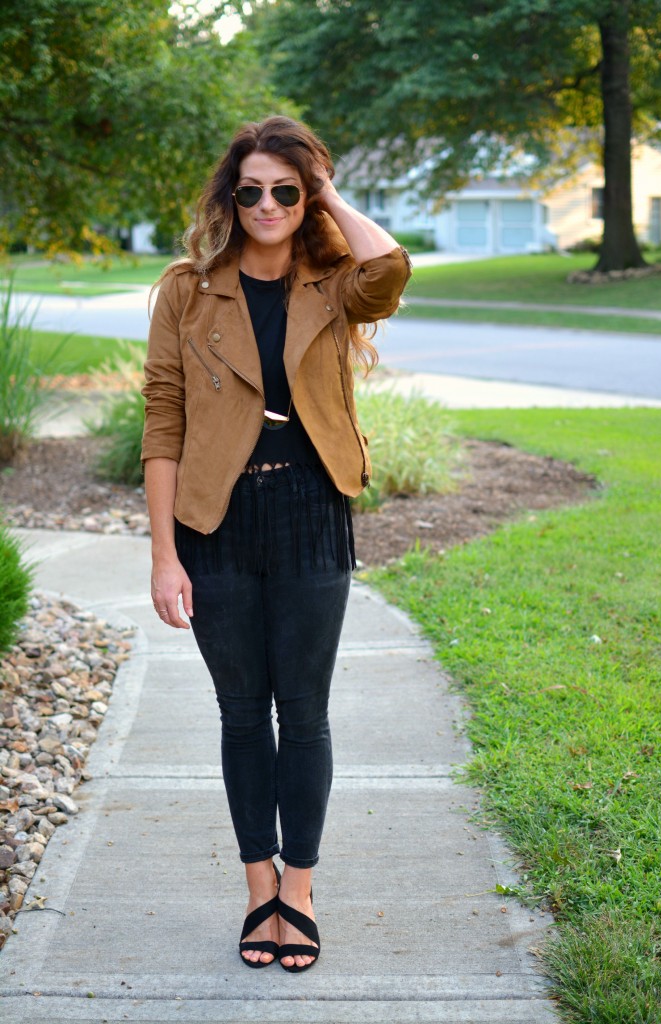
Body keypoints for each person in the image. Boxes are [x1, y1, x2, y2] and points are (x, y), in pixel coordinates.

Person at [141, 116, 411, 973]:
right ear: (230, 196)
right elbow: (162, 420)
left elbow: (390, 271)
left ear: (306, 196)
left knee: (303, 712)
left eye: (285, 189)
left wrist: (325, 189)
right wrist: (162, 555)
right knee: (238, 714)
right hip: (213, 524)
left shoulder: (333, 283)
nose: (266, 203)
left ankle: (299, 891)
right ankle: (257, 887)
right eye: (250, 188)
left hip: (309, 514)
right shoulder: (187, 290)